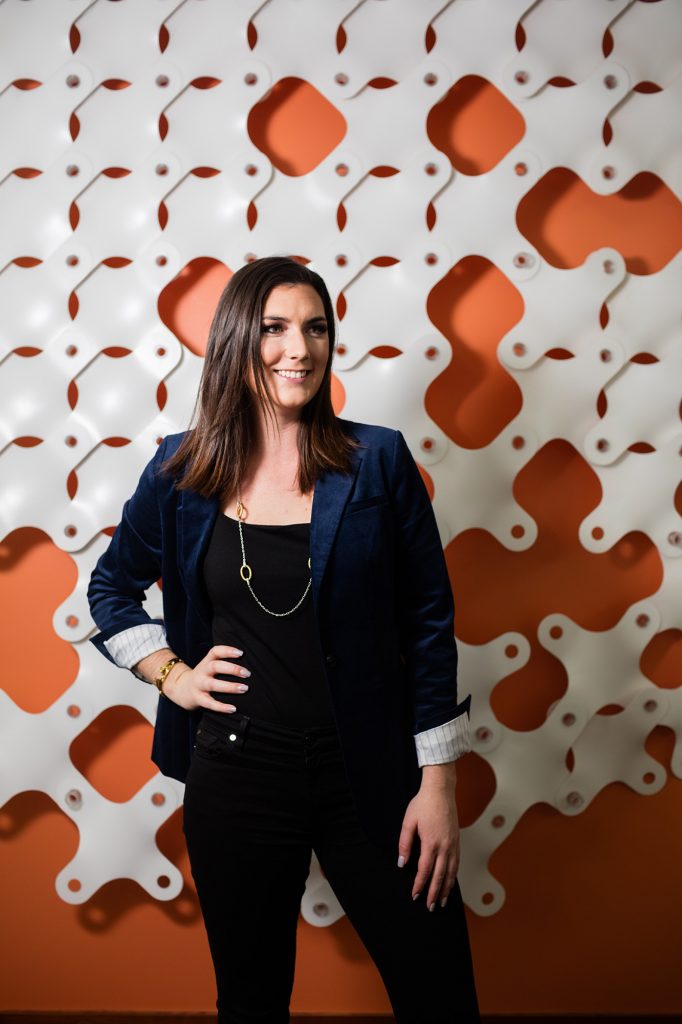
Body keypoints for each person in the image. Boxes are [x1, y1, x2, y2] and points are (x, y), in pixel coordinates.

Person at [87, 255, 480, 1023]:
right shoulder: (179, 466)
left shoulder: (378, 461)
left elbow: (427, 619)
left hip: (370, 775)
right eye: (274, 328)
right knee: (253, 1000)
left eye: (315, 328)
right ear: (238, 339)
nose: (298, 349)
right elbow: (110, 588)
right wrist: (172, 674)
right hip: (236, 776)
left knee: (440, 995)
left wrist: (438, 784)